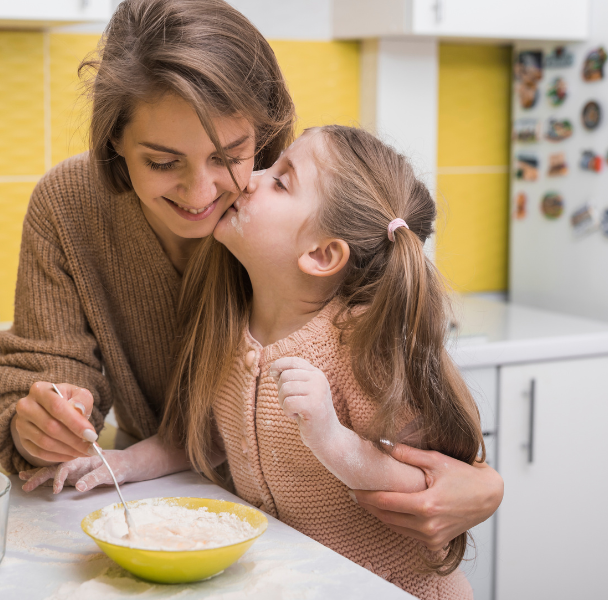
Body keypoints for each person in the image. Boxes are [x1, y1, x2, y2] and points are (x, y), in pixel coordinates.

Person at [0, 0, 503, 557]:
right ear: (113, 139)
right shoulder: (70, 207)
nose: (202, 194)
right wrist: (41, 426)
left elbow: (418, 405)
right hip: (180, 516)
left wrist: (480, 479)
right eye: (163, 163)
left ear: (261, 133)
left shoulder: (290, 207)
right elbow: (51, 378)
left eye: (232, 155)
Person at [27, 126, 482, 598]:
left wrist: (330, 436)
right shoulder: (231, 328)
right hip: (301, 581)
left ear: (322, 254)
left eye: (281, 180)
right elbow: (207, 443)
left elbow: (424, 484)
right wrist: (118, 464)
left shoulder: (365, 345)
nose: (249, 180)